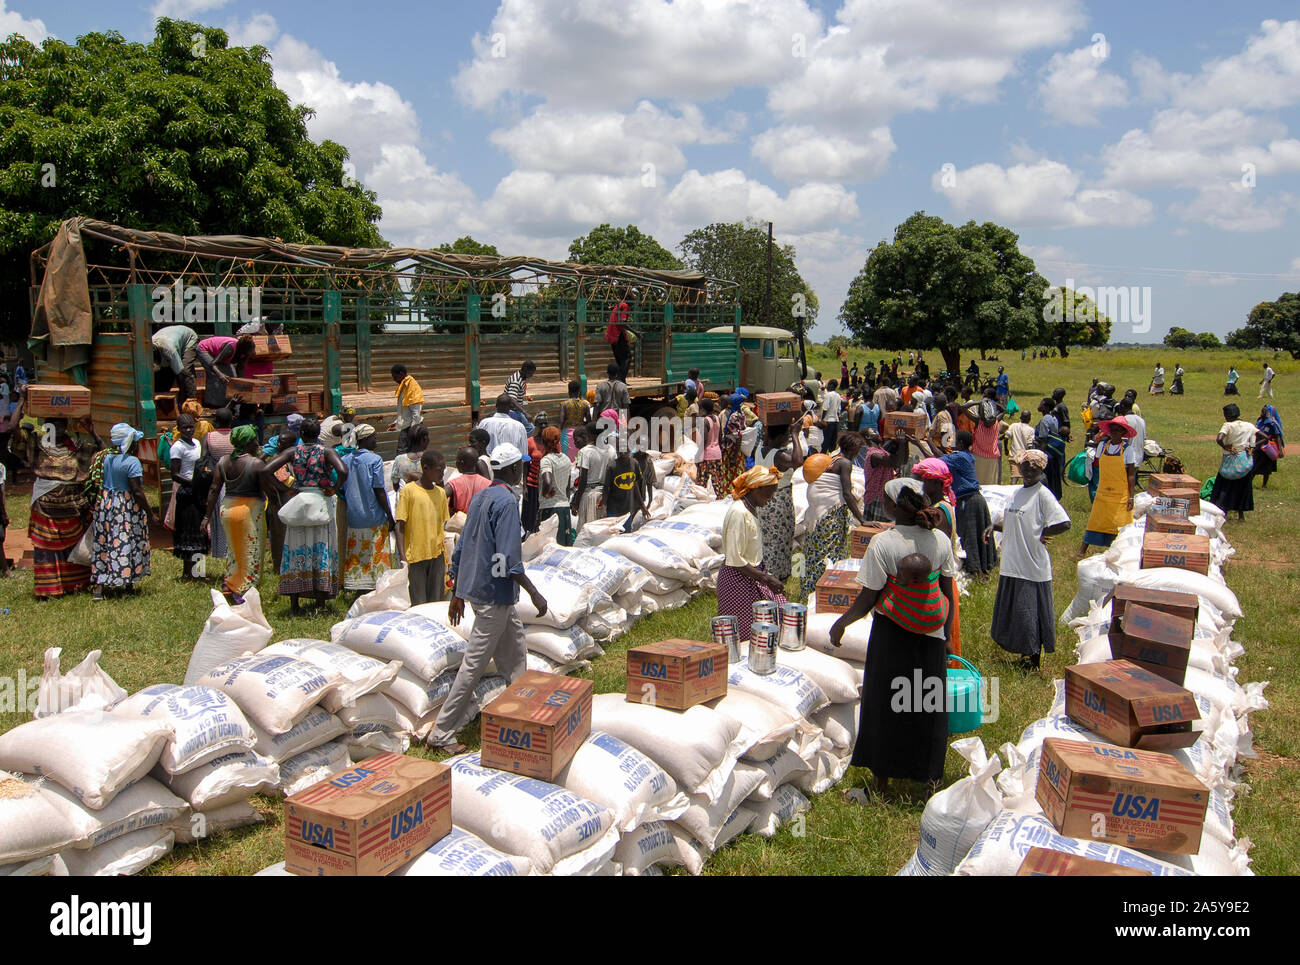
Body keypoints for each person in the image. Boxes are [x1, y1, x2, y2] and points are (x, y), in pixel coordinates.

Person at [830, 478, 957, 795]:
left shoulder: (884, 544)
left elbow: (867, 599)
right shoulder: (940, 540)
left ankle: (880, 785)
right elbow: (947, 594)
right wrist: (947, 635)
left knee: (885, 704)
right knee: (926, 703)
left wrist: (841, 624)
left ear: (892, 506)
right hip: (931, 635)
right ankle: (929, 780)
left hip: (893, 635)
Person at [428, 443, 548, 754]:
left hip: (487, 592)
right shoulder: (507, 502)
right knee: (474, 666)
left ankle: (523, 715)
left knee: (515, 656)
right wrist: (534, 593)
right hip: (494, 595)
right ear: (514, 470)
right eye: (520, 466)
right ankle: (441, 734)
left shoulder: (481, 497)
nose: (522, 470)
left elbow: (464, 545)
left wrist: (458, 591)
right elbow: (508, 559)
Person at [991, 450, 1071, 670]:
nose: (1027, 471)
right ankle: (1022, 653)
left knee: (1029, 613)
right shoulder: (1018, 493)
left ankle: (1032, 659)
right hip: (1012, 562)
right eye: (1025, 466)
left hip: (1031, 564)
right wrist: (993, 527)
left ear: (1041, 470)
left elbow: (1064, 523)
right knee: (1015, 611)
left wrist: (1045, 532)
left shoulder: (1042, 494)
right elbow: (1013, 520)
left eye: (1033, 468)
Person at [263, 418, 349, 613]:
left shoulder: (293, 452)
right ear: (318, 434)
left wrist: (286, 489)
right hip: (320, 502)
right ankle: (320, 603)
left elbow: (266, 469)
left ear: (301, 434)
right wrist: (334, 489)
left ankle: (295, 605)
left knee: (295, 550)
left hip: (299, 502)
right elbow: (343, 470)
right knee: (321, 550)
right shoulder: (327, 452)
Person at [15, 412, 102, 598]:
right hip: (44, 506)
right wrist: (21, 403)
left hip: (72, 506)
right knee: (46, 549)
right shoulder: (37, 445)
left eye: (61, 425)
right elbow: (14, 433)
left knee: (73, 546)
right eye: (53, 425)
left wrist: (92, 432)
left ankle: (74, 585)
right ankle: (47, 590)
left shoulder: (76, 446)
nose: (58, 429)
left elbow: (102, 454)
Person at [202, 425, 270, 603]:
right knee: (251, 552)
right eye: (255, 440)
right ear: (248, 443)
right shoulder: (255, 463)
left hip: (227, 509)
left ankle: (230, 585)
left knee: (233, 551)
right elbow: (268, 488)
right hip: (249, 512)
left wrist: (206, 517)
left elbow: (214, 489)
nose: (258, 443)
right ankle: (244, 592)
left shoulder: (223, 462)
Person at [89, 423, 156, 600]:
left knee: (105, 541)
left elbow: (103, 448)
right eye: (134, 441)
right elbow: (137, 491)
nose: (136, 445)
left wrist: (94, 433)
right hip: (124, 507)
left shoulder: (104, 458)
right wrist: (150, 513)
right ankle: (127, 583)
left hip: (106, 504)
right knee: (125, 541)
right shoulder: (132, 462)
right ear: (129, 443)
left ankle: (99, 587)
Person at [800, 432, 868, 599]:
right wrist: (862, 520)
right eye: (858, 449)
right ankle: (823, 590)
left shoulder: (833, 458)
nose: (858, 453)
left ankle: (810, 589)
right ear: (852, 448)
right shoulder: (844, 463)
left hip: (818, 514)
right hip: (831, 515)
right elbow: (847, 493)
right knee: (829, 552)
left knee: (816, 551)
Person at [717, 466, 788, 624]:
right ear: (757, 489)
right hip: (739, 579)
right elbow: (735, 558)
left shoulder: (750, 509)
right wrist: (766, 579)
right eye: (770, 492)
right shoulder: (739, 513)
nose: (771, 498)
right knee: (746, 630)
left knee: (777, 617)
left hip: (753, 574)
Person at [339, 424, 396, 594]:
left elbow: (341, 486)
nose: (376, 441)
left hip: (354, 516)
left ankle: (357, 587)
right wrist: (389, 515)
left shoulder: (346, 460)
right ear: (365, 439)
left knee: (357, 554)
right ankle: (376, 587)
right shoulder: (374, 460)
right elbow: (379, 490)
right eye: (374, 437)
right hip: (373, 516)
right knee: (375, 554)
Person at [395, 449, 450, 606]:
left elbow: (441, 525)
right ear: (425, 468)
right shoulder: (409, 491)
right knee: (419, 601)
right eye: (439, 470)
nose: (442, 474)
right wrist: (402, 557)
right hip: (415, 556)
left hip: (436, 554)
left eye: (444, 470)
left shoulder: (440, 493)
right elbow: (400, 526)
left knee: (436, 600)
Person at [1079, 416, 1139, 555]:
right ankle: (1082, 551)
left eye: (1118, 430)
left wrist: (1131, 497)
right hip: (1103, 492)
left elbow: (1131, 475)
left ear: (1124, 433)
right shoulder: (1102, 446)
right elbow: (1097, 467)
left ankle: (1122, 552)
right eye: (1112, 430)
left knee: (1120, 524)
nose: (1114, 433)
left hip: (1120, 495)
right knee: (1095, 520)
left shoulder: (1128, 450)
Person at [942, 430, 997, 575]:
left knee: (969, 534)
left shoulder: (959, 457)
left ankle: (974, 569)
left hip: (967, 500)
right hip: (977, 499)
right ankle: (986, 564)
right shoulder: (968, 456)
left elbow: (937, 461)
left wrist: (923, 443)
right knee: (981, 532)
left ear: (960, 443)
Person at [754, 423, 803, 583]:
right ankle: (774, 579)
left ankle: (767, 576)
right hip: (778, 503)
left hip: (764, 502)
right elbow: (798, 462)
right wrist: (795, 435)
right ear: (782, 437)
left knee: (768, 541)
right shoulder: (779, 456)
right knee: (779, 542)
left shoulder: (760, 451)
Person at [169, 413, 210, 580]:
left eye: (191, 426)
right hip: (187, 493)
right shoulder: (177, 447)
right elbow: (174, 474)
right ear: (178, 429)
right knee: (188, 532)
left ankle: (198, 572)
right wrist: (193, 483)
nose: (188, 430)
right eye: (184, 427)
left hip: (198, 492)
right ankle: (188, 572)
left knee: (199, 532)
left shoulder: (197, 444)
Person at [1209, 404, 1263, 521]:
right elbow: (1264, 437)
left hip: (1230, 462)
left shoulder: (1228, 425)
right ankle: (1241, 515)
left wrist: (1226, 446)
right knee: (1243, 487)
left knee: (1225, 487)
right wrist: (1252, 446)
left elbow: (1219, 438)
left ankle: (1223, 512)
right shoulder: (1249, 425)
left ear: (1227, 415)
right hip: (1245, 462)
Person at [601, 439, 649, 532]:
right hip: (613, 510)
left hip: (627, 510)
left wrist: (642, 506)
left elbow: (635, 485)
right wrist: (604, 507)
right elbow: (606, 488)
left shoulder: (634, 464)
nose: (623, 451)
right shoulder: (612, 466)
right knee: (614, 536)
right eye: (620, 448)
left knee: (626, 535)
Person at [538, 426, 573, 545]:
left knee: (550, 548)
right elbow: (568, 488)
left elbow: (547, 481)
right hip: (564, 507)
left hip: (550, 509)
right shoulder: (567, 459)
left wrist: (545, 493)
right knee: (564, 546)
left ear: (544, 441)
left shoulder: (546, 460)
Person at [570, 425, 610, 533]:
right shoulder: (606, 452)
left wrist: (576, 502)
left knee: (586, 531)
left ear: (590, 435)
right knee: (599, 531)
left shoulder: (585, 451)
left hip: (589, 495)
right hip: (602, 495)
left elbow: (583, 478)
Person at [963, 389, 1004, 485]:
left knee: (979, 484)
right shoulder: (996, 421)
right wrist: (992, 403)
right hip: (992, 458)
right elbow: (1003, 410)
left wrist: (980, 402)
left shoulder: (978, 421)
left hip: (978, 457)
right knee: (991, 485)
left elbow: (964, 407)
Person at [152, 324, 201, 402]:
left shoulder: (169, 350)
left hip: (189, 339)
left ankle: (191, 400)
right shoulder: (149, 346)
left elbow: (180, 372)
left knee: (185, 370)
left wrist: (182, 397)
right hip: (171, 336)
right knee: (161, 372)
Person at [862, 436, 904, 521]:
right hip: (877, 495)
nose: (877, 434)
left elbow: (902, 461)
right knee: (878, 526)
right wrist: (901, 443)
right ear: (868, 437)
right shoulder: (873, 454)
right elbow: (894, 463)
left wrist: (904, 443)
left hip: (883, 494)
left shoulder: (882, 452)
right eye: (873, 433)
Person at [478, 394, 531, 459]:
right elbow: (524, 455)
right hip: (510, 466)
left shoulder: (484, 423)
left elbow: (477, 446)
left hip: (487, 465)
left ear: (496, 405)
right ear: (511, 407)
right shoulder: (519, 426)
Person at [1034, 397, 1066, 499]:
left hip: (1047, 454)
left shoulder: (1045, 420)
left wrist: (1040, 457)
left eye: (1041, 404)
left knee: (1047, 479)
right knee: (1054, 478)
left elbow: (1043, 440)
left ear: (1046, 408)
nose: (1039, 405)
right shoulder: (1053, 418)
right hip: (1054, 455)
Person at [446, 446, 491, 515]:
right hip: (481, 523)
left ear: (461, 463)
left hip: (459, 524)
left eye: (457, 461)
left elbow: (440, 497)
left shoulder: (453, 484)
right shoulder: (489, 484)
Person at [522, 415, 548, 535]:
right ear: (536, 426)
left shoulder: (552, 441)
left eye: (545, 423)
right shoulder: (529, 442)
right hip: (532, 484)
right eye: (540, 424)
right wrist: (525, 486)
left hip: (547, 485)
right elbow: (525, 464)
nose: (543, 426)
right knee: (531, 516)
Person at [695, 397, 725, 494]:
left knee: (702, 482)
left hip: (707, 456)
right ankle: (720, 499)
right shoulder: (717, 418)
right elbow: (720, 437)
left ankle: (702, 503)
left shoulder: (705, 421)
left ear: (703, 409)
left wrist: (697, 456)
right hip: (717, 454)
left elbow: (703, 441)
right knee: (717, 482)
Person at [1254, 404, 1284, 489]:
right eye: (1262, 411)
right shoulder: (1259, 421)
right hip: (1257, 446)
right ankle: (1248, 484)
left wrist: (1280, 450)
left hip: (1267, 448)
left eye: (1264, 412)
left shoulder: (1271, 423)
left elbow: (1277, 436)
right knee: (1253, 466)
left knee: (1266, 469)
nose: (1262, 413)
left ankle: (1264, 485)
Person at [559, 380, 590, 461]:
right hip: (581, 434)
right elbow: (589, 421)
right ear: (579, 391)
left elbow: (561, 421)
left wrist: (558, 434)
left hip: (567, 435)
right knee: (580, 459)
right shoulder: (585, 404)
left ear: (569, 391)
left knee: (567, 459)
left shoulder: (564, 404)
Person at [389, 363, 424, 435]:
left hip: (410, 429)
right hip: (406, 428)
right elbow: (405, 410)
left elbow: (416, 414)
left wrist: (413, 433)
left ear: (401, 374)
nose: (394, 380)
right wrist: (397, 422)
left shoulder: (412, 388)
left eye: (395, 377)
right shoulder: (404, 385)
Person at [1004, 411, 1035, 481]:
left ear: (1020, 417)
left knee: (1014, 476)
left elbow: (1006, 438)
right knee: (1026, 477)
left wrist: (1006, 449)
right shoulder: (1031, 430)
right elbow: (1030, 445)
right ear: (1029, 419)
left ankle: (1012, 490)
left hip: (1014, 455)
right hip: (1024, 457)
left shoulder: (1013, 425)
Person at [606, 301, 633, 382]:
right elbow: (622, 322)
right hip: (618, 334)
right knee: (627, 357)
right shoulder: (625, 306)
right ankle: (620, 379)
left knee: (619, 359)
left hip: (611, 335)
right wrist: (635, 332)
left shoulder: (618, 305)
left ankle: (619, 379)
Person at [821, 380, 842, 453]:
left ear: (831, 385)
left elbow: (825, 408)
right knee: (832, 443)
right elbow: (839, 410)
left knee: (825, 442)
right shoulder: (838, 395)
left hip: (828, 421)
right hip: (835, 421)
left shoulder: (828, 395)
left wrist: (822, 419)